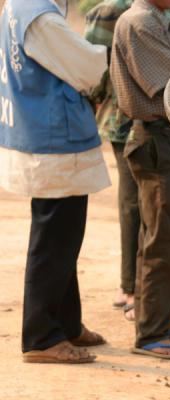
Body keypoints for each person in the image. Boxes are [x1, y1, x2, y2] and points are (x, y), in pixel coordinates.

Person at [0, 0, 109, 363]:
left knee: (63, 238)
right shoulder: (40, 17)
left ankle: (67, 323)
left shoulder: (19, 7)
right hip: (54, 139)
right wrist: (109, 52)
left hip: (44, 134)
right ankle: (41, 336)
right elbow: (89, 66)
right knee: (53, 241)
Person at [111, 0, 170, 359]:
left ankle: (157, 321)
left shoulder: (152, 18)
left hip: (163, 137)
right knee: (163, 239)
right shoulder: (141, 22)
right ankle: (150, 334)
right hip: (158, 137)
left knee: (162, 236)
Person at [84, 0, 138, 320]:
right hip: (123, 123)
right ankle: (130, 286)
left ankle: (142, 288)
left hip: (160, 124)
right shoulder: (110, 11)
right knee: (133, 206)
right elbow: (92, 71)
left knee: (154, 211)